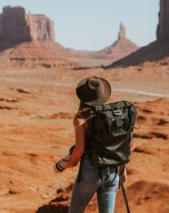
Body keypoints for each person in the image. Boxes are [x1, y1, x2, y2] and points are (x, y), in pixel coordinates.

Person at [54, 76, 128, 213]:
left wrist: (67, 163)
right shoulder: (116, 115)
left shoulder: (82, 117)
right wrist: (123, 170)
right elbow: (122, 145)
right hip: (113, 172)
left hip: (90, 172)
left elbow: (79, 149)